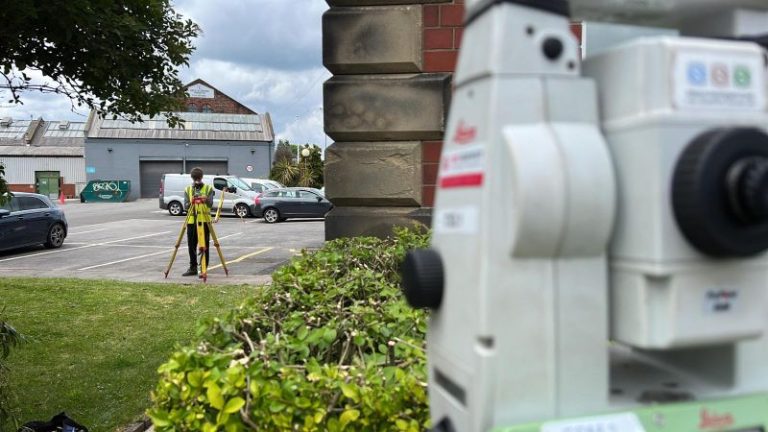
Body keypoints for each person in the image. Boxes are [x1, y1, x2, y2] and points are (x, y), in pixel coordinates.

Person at [183, 167, 214, 277]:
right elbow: (185, 206)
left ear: (201, 177)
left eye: (198, 178)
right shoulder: (188, 190)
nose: (197, 180)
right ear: (192, 178)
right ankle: (193, 267)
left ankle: (203, 268)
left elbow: (210, 204)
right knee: (191, 245)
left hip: (204, 221)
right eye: (195, 178)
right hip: (192, 222)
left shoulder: (208, 188)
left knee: (204, 246)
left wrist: (206, 200)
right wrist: (191, 202)